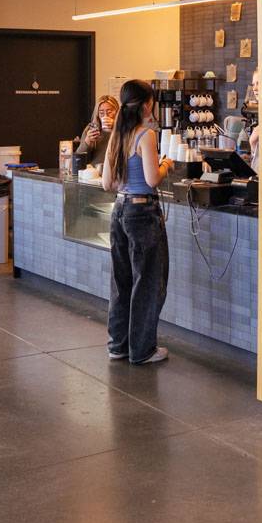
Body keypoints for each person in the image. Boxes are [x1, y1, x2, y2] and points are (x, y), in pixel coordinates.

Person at [101, 79, 170, 365]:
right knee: (148, 282)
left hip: (119, 211)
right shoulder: (146, 135)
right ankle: (142, 350)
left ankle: (118, 345)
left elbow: (107, 183)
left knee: (122, 281)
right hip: (143, 214)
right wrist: (167, 164)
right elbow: (153, 179)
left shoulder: (118, 135)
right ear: (147, 104)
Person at [73, 94, 118, 166]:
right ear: (97, 114)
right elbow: (78, 159)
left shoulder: (123, 128)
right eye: (101, 113)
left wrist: (115, 127)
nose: (105, 115)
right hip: (95, 172)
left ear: (117, 112)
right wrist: (87, 142)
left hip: (116, 170)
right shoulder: (91, 128)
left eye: (109, 112)